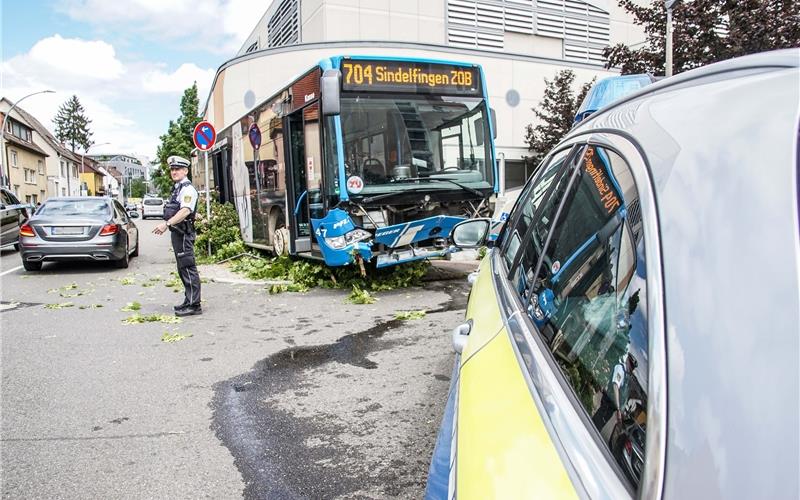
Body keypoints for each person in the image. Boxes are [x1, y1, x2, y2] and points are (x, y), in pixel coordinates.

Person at [153, 155, 202, 316]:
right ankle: (188, 300)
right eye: (172, 169)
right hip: (179, 233)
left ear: (185, 171)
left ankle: (194, 305)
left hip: (184, 233)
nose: (174, 172)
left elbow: (185, 210)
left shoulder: (187, 189)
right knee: (183, 268)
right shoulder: (178, 188)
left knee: (188, 267)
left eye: (178, 169)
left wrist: (166, 224)